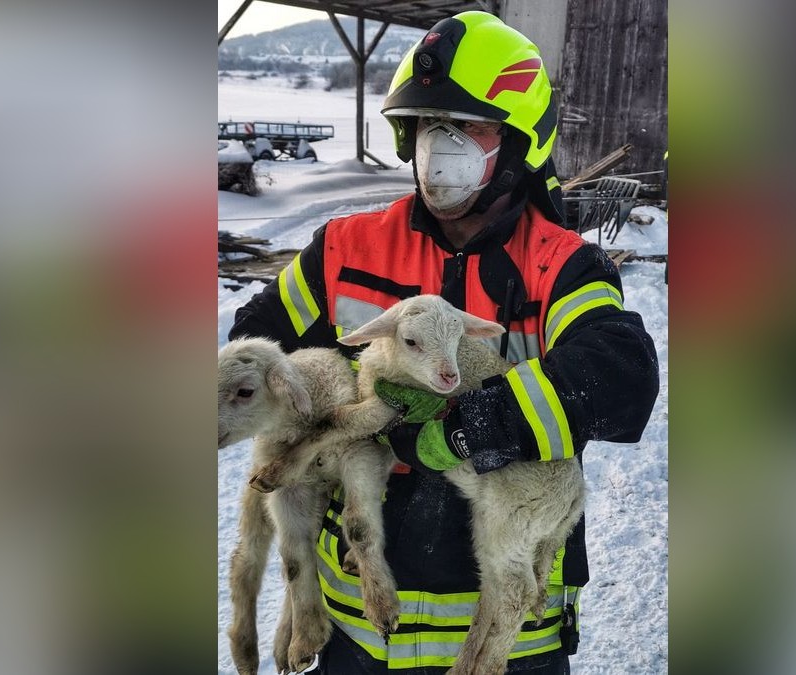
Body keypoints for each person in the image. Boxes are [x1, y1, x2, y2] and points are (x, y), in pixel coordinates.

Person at [229, 11, 659, 674]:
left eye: (466, 128)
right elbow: (251, 352)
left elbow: (620, 375)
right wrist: (335, 397)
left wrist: (475, 424)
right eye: (428, 125)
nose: (441, 146)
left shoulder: (559, 266)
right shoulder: (344, 249)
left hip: (508, 643)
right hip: (363, 636)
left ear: (517, 144)